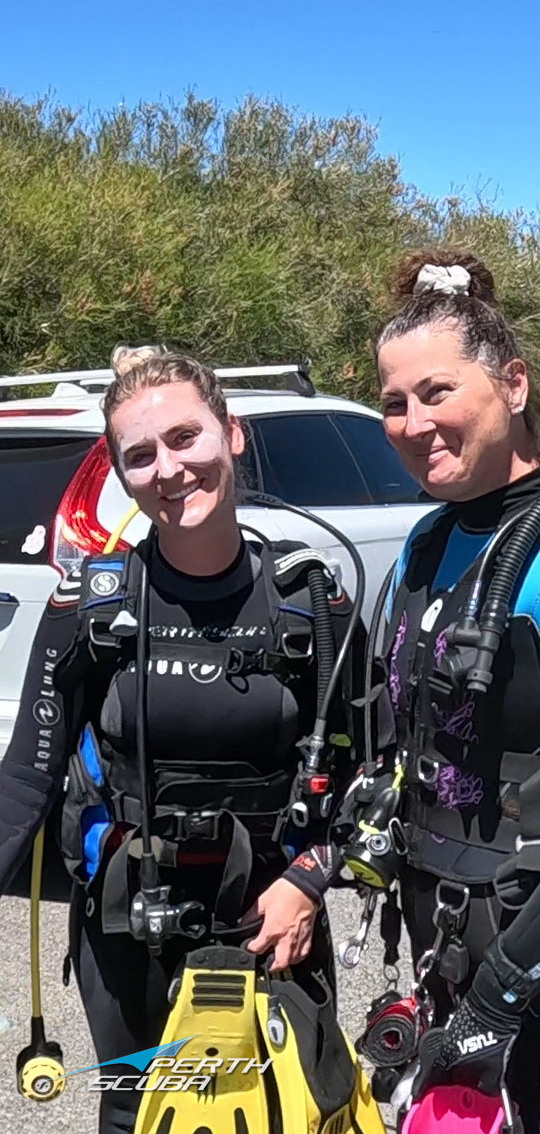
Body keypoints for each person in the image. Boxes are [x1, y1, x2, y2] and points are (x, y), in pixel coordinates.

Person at [0, 346, 366, 1134]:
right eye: (139, 455)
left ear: (231, 434)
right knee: (138, 1117)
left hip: (273, 923)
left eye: (185, 438)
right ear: (121, 473)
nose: (167, 468)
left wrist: (309, 879)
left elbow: (374, 773)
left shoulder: (312, 604)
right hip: (130, 927)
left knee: (285, 1112)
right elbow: (26, 779)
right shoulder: (90, 611)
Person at [352, 251, 540, 1131]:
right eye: (394, 402)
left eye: (437, 391)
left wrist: (505, 990)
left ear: (513, 382)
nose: (414, 421)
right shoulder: (425, 544)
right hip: (443, 929)